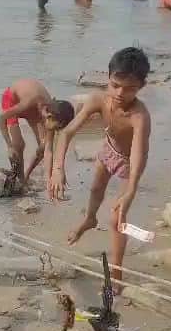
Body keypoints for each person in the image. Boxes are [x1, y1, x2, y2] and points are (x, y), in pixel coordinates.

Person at [48, 47, 152, 295]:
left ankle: (116, 273)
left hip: (130, 162)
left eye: (129, 89)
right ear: (107, 77)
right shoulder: (97, 100)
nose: (119, 93)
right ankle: (89, 219)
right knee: (96, 188)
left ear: (141, 87)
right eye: (115, 85)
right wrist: (57, 169)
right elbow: (67, 132)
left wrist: (131, 191)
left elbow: (138, 153)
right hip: (109, 148)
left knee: (118, 220)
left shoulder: (139, 115)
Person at [0, 79, 76, 192]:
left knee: (43, 146)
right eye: (55, 128)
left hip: (34, 110)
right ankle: (20, 182)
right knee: (18, 145)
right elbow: (1, 119)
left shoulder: (54, 112)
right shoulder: (30, 102)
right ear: (49, 116)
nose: (53, 131)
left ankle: (26, 175)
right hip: (13, 100)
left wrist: (49, 179)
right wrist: (9, 146)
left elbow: (48, 151)